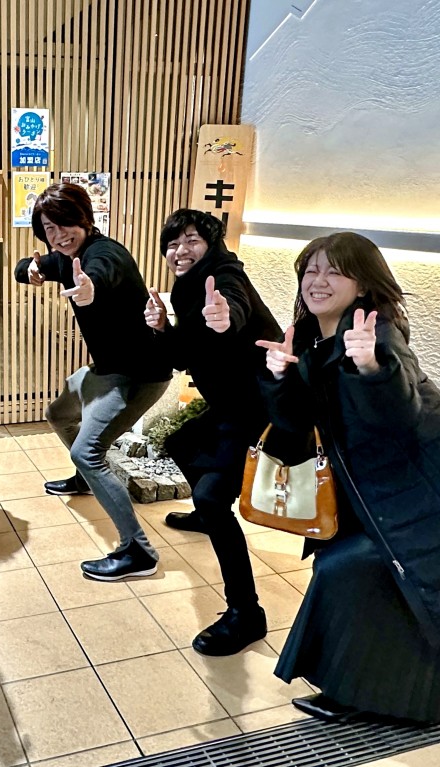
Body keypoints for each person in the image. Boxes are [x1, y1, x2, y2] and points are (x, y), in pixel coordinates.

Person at [257, 231, 440, 724]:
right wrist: (279, 376)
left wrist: (370, 367)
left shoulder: (378, 337)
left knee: (356, 572)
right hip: (392, 494)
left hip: (439, 491)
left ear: (363, 285)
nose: (318, 280)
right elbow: (298, 421)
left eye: (334, 271)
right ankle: (365, 693)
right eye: (311, 270)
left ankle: (394, 699)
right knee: (357, 574)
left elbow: (396, 418)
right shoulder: (316, 340)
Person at [14, 182, 173, 580]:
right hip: (108, 368)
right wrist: (30, 269)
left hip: (139, 374)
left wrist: (88, 290)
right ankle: (86, 481)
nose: (58, 235)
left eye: (65, 224)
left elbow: (101, 275)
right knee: (58, 413)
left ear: (84, 219)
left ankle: (138, 551)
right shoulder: (65, 257)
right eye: (49, 229)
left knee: (87, 452)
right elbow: (25, 268)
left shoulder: (105, 254)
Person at [145, 209, 281, 655]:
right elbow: (181, 357)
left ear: (211, 245)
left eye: (191, 241)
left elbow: (231, 305)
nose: (180, 251)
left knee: (210, 496)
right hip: (231, 407)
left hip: (260, 411)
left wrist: (226, 318)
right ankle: (208, 518)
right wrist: (163, 328)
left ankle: (247, 613)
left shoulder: (223, 276)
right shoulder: (188, 289)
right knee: (179, 442)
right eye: (172, 244)